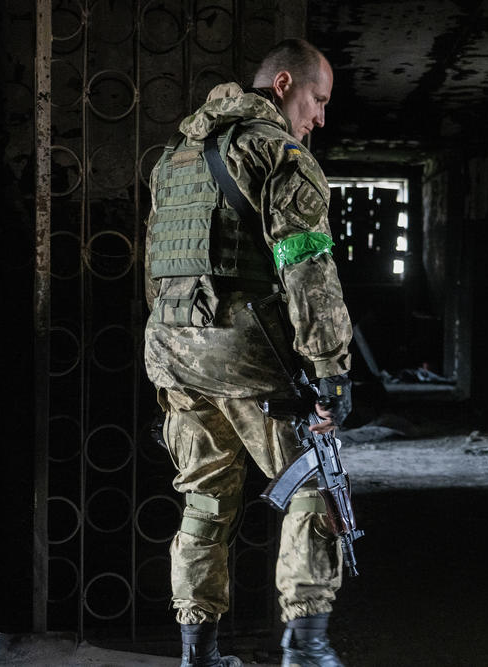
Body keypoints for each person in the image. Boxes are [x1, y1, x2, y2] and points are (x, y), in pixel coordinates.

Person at [142, 39, 353, 667]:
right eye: (317, 101)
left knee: (204, 501)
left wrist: (172, 349)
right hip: (247, 357)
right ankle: (306, 650)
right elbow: (308, 271)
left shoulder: (173, 159)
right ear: (284, 84)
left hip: (176, 355)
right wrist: (331, 370)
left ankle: (196, 655)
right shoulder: (278, 154)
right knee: (315, 482)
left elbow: (159, 273)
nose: (319, 118)